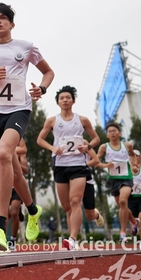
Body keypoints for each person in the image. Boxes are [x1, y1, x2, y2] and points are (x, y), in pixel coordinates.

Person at [0, 2, 55, 251]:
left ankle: (0, 227)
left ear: (11, 24)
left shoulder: (25, 47)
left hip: (19, 109)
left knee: (4, 154)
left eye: (3, 18)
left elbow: (48, 72)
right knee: (13, 170)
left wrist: (43, 88)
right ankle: (33, 210)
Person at [36, 85, 100, 250]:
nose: (65, 100)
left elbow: (96, 139)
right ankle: (77, 235)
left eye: (68, 97)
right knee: (66, 206)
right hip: (60, 165)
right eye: (62, 98)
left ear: (73, 100)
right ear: (58, 102)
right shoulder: (52, 121)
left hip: (78, 165)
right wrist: (52, 148)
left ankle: (72, 239)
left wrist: (87, 148)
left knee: (75, 201)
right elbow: (39, 140)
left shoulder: (82, 120)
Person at [96, 122, 136, 242]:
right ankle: (134, 222)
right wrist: (105, 165)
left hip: (126, 178)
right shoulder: (104, 147)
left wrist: (134, 165)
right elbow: (96, 161)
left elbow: (133, 155)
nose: (112, 133)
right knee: (121, 206)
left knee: (123, 201)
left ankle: (123, 232)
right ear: (107, 135)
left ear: (119, 133)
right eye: (110, 131)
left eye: (114, 131)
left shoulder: (127, 145)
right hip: (113, 180)